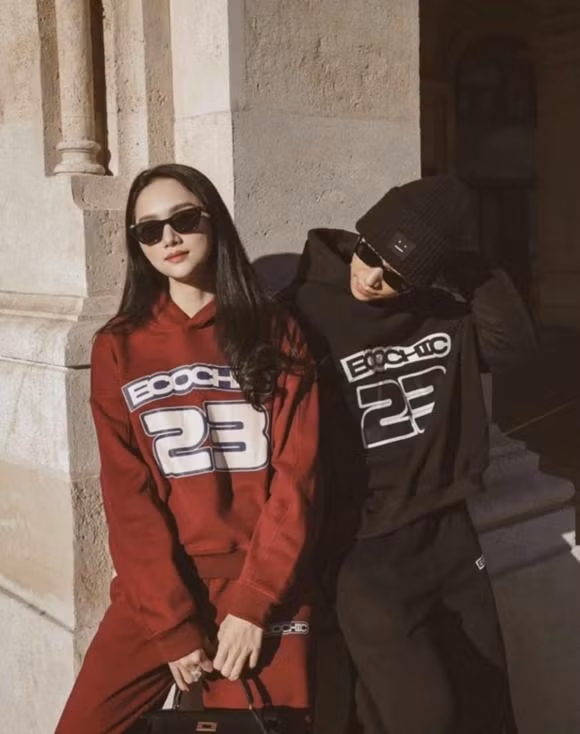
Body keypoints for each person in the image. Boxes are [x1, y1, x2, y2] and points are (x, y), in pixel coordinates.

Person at [55, 163, 319, 734]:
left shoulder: (277, 332)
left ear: (213, 220)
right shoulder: (118, 346)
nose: (169, 238)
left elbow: (297, 478)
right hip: (157, 591)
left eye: (183, 219)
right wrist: (172, 625)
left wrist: (254, 604)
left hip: (260, 588)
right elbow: (127, 497)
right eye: (149, 230)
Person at [288, 175, 535, 734]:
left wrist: (461, 263)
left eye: (398, 275)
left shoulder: (441, 310)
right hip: (364, 548)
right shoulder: (302, 312)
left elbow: (515, 349)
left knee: (489, 705)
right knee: (424, 716)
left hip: (449, 530)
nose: (373, 277)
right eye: (370, 252)